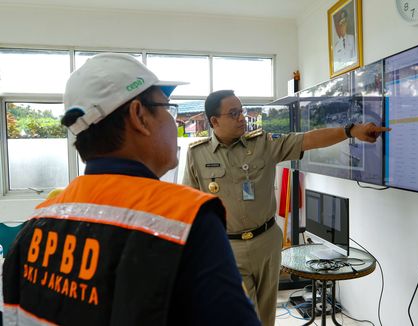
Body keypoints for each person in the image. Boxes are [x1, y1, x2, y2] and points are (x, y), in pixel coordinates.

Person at [2, 54, 260, 326]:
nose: (174, 123)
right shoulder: (186, 220)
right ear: (139, 116)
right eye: (167, 109)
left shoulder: (34, 227)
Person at [183, 89, 389, 326]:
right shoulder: (196, 154)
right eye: (234, 113)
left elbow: (307, 139)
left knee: (266, 313)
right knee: (241, 315)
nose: (242, 117)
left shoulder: (262, 143)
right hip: (229, 247)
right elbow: (189, 207)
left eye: (242, 111)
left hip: (267, 242)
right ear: (214, 121)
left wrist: (349, 131)